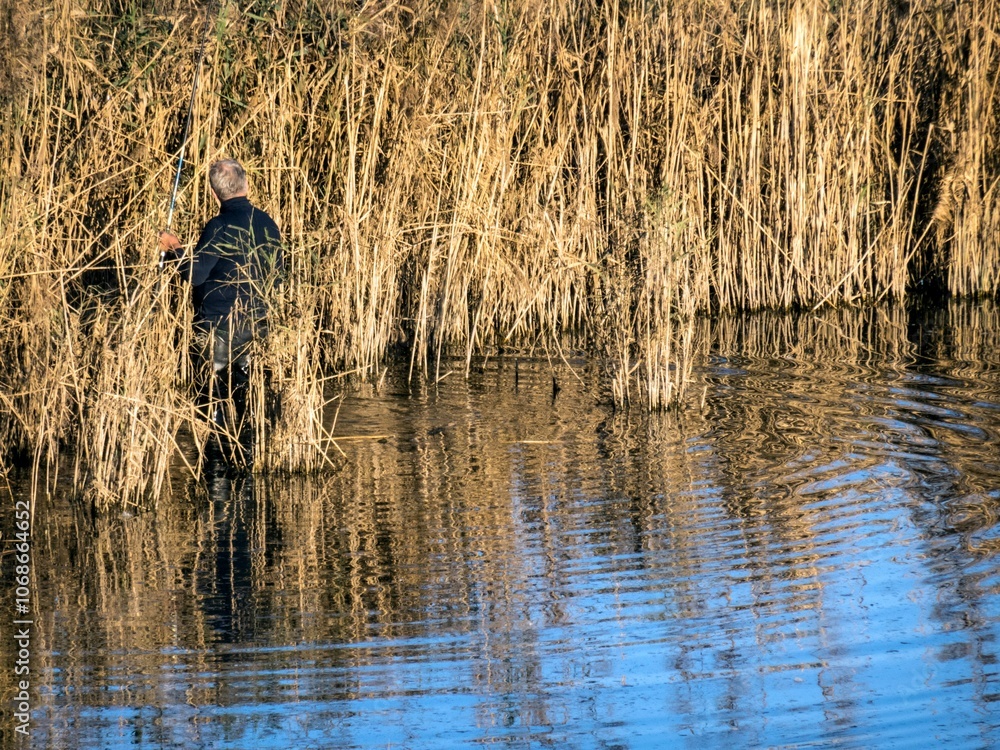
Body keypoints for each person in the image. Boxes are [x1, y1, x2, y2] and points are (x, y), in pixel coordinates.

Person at [158, 158, 283, 433]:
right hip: (257, 324)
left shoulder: (219, 226)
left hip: (219, 329)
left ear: (214, 194)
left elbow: (196, 275)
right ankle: (247, 455)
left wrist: (174, 247)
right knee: (246, 402)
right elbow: (279, 274)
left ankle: (217, 461)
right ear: (246, 185)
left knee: (214, 407)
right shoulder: (268, 223)